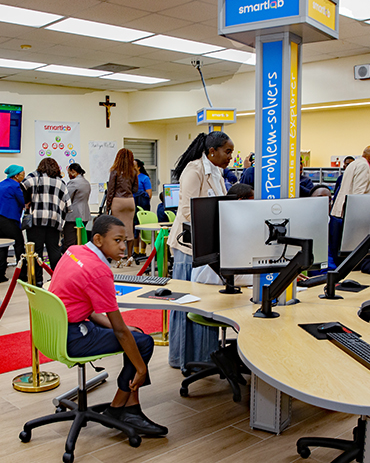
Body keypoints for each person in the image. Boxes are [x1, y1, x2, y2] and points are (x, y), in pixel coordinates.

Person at [48, 215, 167, 436]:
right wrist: (141, 369)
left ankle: (131, 408)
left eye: (125, 240)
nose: (124, 247)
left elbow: (91, 311)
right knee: (143, 342)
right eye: (118, 240)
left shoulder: (75, 251)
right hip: (74, 337)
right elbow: (120, 331)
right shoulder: (99, 271)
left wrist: (124, 330)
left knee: (136, 335)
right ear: (99, 239)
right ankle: (118, 407)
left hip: (58, 330)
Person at [166, 131, 234, 371]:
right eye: (227, 152)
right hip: (188, 246)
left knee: (204, 303)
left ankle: (204, 358)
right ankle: (183, 358)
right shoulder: (194, 171)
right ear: (212, 151)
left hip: (207, 245)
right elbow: (187, 212)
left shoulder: (217, 172)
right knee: (187, 304)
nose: (230, 158)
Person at [22, 157, 71, 287]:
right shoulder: (61, 182)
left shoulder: (33, 177)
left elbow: (22, 188)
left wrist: (29, 202)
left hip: (36, 221)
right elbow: (68, 206)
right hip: (54, 221)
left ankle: (37, 281)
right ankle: (56, 278)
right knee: (54, 250)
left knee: (35, 253)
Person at [0, 165, 26, 283]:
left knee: (2, 245)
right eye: (23, 173)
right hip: (3, 217)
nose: (24, 176)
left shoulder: (1, 183)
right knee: (19, 244)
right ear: (16, 175)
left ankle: (0, 275)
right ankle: (22, 275)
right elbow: (23, 201)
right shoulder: (15, 185)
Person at [105, 148, 138, 266]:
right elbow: (135, 189)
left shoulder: (115, 171)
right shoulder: (133, 172)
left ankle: (118, 258)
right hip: (129, 201)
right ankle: (130, 256)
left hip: (118, 201)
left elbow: (111, 190)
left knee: (117, 229)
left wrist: (108, 206)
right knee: (129, 229)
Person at [331, 146, 370, 218]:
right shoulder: (364, 166)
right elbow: (359, 194)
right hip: (354, 213)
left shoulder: (353, 164)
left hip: (344, 209)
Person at [62, 163, 91, 252]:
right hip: (85, 215)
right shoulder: (86, 182)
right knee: (80, 241)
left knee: (70, 242)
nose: (69, 176)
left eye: (69, 173)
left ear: (73, 171)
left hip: (73, 216)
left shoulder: (73, 182)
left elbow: (66, 198)